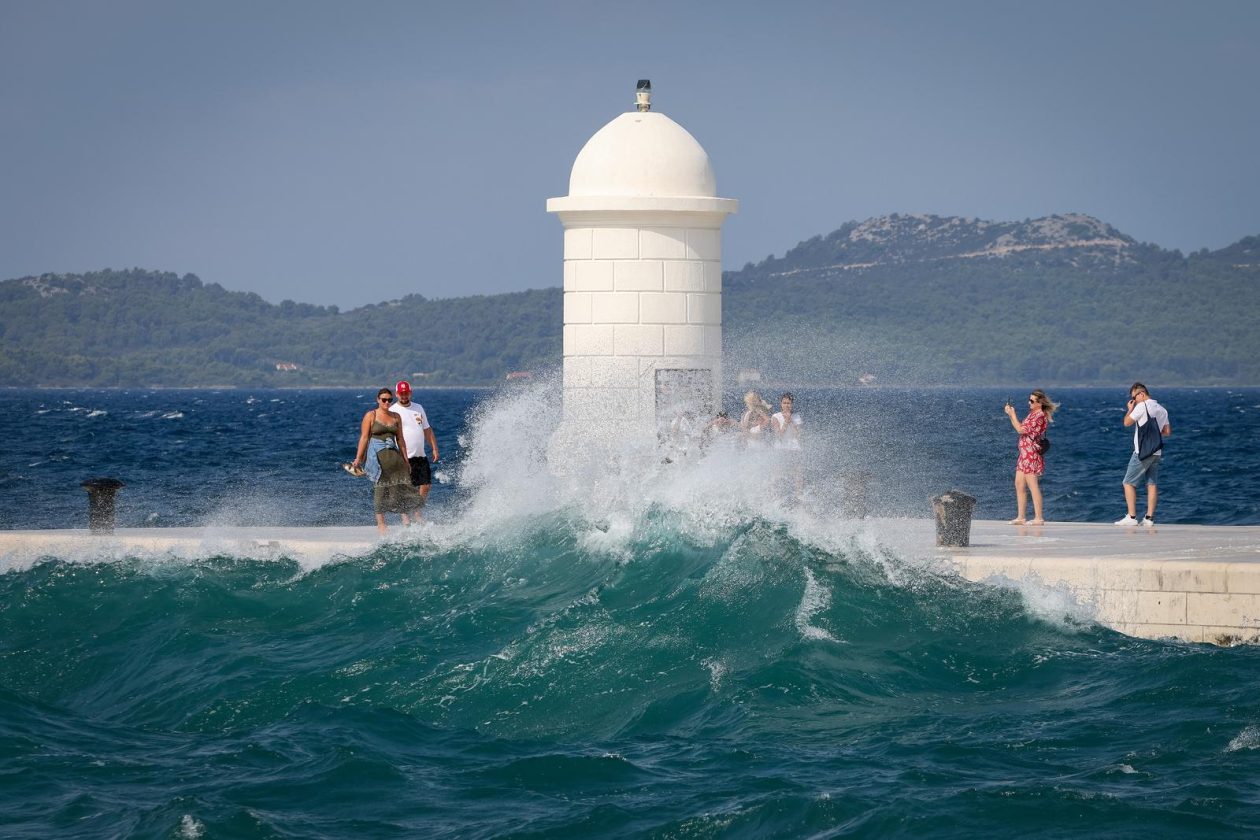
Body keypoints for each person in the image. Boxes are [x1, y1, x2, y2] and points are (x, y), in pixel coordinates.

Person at [351, 388, 420, 534]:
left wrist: (406, 460)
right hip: (378, 459)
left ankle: (408, 522)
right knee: (380, 490)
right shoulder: (371, 415)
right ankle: (381, 524)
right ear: (378, 400)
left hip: (395, 459)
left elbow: (400, 440)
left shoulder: (396, 416)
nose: (387, 402)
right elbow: (364, 438)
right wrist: (358, 458)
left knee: (401, 489)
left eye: (389, 400)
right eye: (384, 399)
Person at [1116, 382, 1171, 527]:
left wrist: (1130, 409)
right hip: (1156, 451)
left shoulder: (1141, 406)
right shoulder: (1162, 409)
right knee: (1151, 484)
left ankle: (1132, 516)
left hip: (1143, 451)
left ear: (1141, 394)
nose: (1133, 400)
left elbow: (1127, 422)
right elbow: (1167, 432)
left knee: (1128, 482)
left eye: (1134, 397)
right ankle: (1149, 518)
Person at [1003, 389, 1057, 525]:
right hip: (1024, 454)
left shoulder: (1040, 416)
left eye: (1032, 401)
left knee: (1033, 485)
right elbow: (1019, 428)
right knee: (1019, 484)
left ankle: (1039, 518)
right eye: (1029, 400)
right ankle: (1021, 516)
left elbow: (1021, 430)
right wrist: (1010, 416)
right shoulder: (1032, 414)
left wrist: (1013, 414)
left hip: (1031, 454)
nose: (1029, 403)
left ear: (1040, 403)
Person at [389, 380, 440, 514]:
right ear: (397, 394)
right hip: (403, 456)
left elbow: (427, 429)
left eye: (406, 393)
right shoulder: (392, 410)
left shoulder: (418, 407)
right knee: (406, 487)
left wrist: (434, 448)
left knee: (426, 485)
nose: (404, 396)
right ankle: (405, 516)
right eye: (401, 394)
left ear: (410, 393)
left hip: (420, 454)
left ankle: (417, 511)